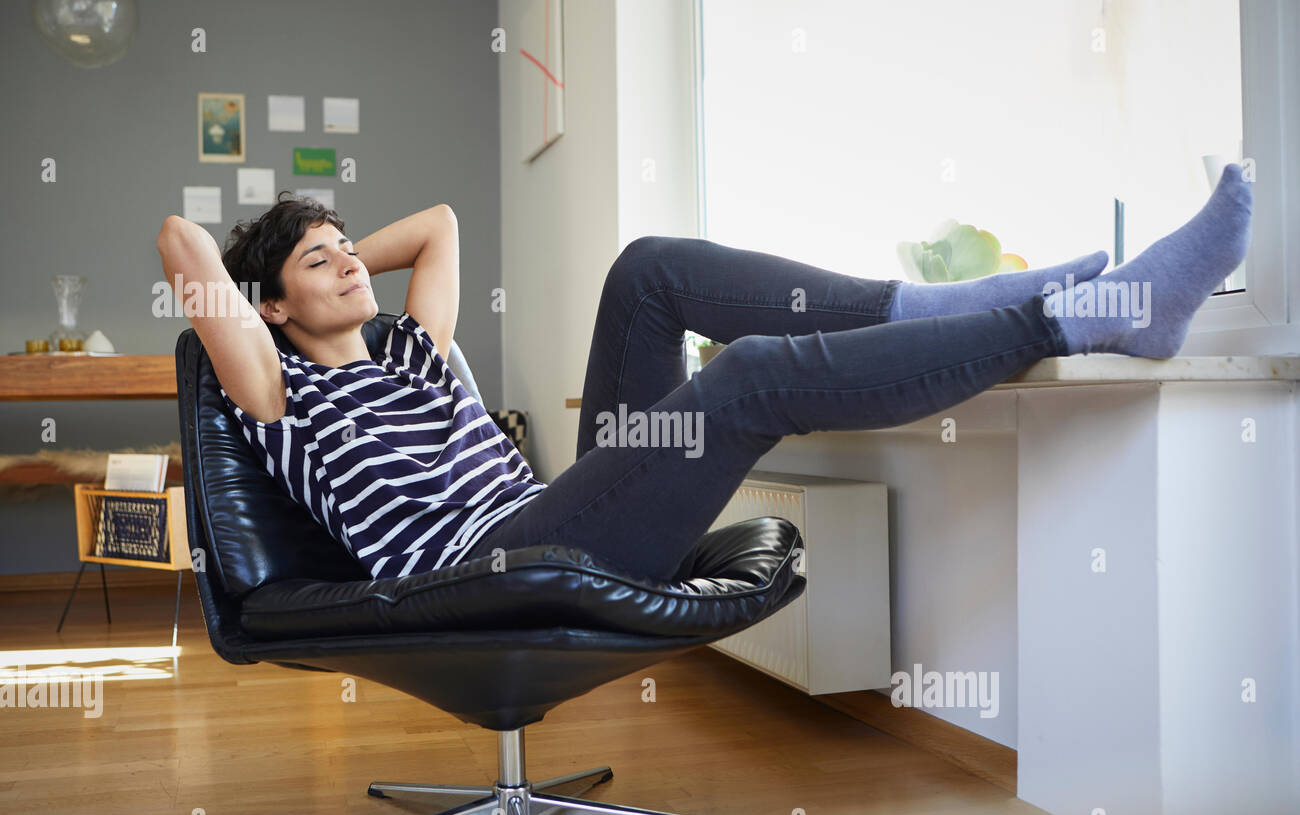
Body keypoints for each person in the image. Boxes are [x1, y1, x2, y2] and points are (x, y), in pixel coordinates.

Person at [158, 165, 1252, 583]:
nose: (352, 259)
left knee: (646, 271)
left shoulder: (416, 346)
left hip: (563, 509)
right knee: (752, 376)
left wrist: (328, 249)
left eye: (354, 245)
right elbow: (180, 242)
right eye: (321, 261)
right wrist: (278, 249)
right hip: (483, 564)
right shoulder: (279, 394)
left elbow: (439, 223)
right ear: (265, 309)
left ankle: (960, 302)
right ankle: (1070, 318)